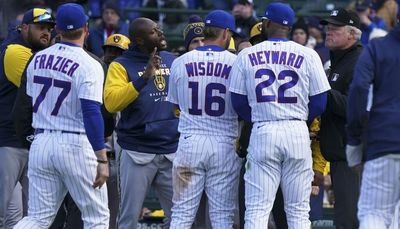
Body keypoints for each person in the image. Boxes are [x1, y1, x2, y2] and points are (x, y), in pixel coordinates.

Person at [229, 2, 331, 228]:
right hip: (296, 130)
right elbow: (320, 101)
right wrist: (299, 118)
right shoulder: (309, 54)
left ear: (266, 23)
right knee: (298, 211)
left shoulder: (247, 55)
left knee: (256, 209)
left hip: (263, 128)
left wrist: (259, 115)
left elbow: (238, 102)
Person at [14, 3, 110, 228]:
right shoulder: (90, 64)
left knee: (37, 218)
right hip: (74, 141)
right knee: (97, 218)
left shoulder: (37, 58)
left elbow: (26, 102)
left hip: (42, 140)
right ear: (86, 28)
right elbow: (91, 112)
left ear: (57, 29)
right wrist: (102, 158)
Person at [167, 10, 241, 228]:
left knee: (181, 214)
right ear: (226, 33)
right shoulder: (235, 62)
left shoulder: (181, 61)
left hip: (190, 142)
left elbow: (176, 104)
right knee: (222, 216)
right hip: (224, 142)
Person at [104, 17, 178, 228]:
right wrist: (143, 78)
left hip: (171, 149)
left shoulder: (172, 59)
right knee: (128, 219)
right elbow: (111, 103)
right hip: (137, 151)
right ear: (140, 39)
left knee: (181, 218)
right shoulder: (120, 65)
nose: (161, 32)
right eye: (154, 31)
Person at [0, 7, 54, 228]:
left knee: (22, 217)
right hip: (7, 142)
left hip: (27, 142)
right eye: (40, 27)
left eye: (49, 29)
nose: (46, 33)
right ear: (23, 27)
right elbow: (42, 91)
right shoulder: (14, 50)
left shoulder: (34, 52)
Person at [346, 22, 400, 229]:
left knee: (375, 214)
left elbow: (358, 89)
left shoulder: (377, 48)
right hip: (383, 143)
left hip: (384, 142)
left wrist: (354, 140)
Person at [318, 8, 364, 229]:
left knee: (350, 219)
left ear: (352, 34)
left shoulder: (359, 62)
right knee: (345, 217)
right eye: (328, 27)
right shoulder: (337, 61)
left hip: (352, 157)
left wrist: (321, 90)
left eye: (335, 28)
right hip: (340, 154)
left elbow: (356, 107)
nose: (329, 31)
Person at [102, 33, 130, 229]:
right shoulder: (94, 78)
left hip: (120, 159)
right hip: (98, 157)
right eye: (110, 50)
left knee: (117, 213)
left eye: (118, 52)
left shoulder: (130, 86)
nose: (112, 55)